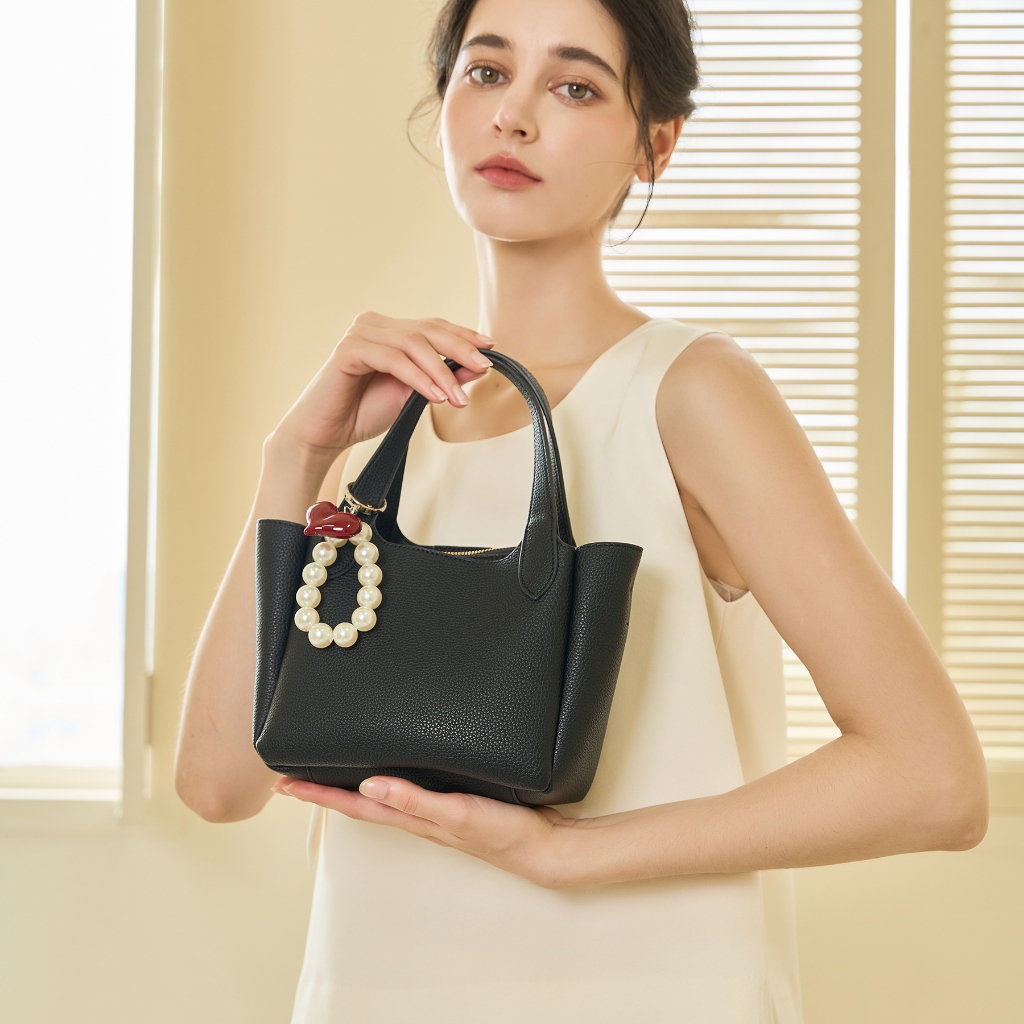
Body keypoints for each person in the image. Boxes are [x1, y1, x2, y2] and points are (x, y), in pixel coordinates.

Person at [174, 0, 989, 1020]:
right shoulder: (380, 432)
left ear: (655, 146)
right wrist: (294, 455)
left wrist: (567, 852)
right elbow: (218, 785)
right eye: (485, 71)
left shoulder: (690, 393)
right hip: (373, 987)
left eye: (574, 86)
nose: (513, 115)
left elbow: (932, 778)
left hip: (641, 991)